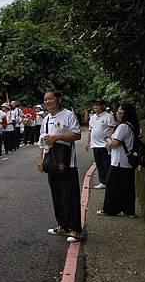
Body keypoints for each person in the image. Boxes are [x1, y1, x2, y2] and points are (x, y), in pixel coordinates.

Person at [37, 91, 82, 243]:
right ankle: (62, 225)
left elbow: (76, 134)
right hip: (51, 160)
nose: (48, 101)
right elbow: (42, 140)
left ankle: (75, 229)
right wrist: (39, 159)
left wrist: (57, 137)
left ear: (59, 99)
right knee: (56, 193)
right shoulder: (47, 119)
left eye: (51, 98)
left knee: (70, 194)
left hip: (66, 160)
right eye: (45, 99)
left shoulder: (68, 115)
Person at [97, 103, 139, 217]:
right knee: (128, 188)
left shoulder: (123, 126)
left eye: (119, 112)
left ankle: (110, 209)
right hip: (128, 162)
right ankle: (128, 210)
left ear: (125, 114)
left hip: (119, 161)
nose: (117, 114)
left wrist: (108, 141)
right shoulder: (132, 125)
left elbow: (115, 143)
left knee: (112, 187)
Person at [85, 99, 116, 190]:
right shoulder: (92, 117)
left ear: (103, 106)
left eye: (98, 105)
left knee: (107, 164)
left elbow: (112, 128)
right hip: (95, 145)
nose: (95, 106)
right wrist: (87, 142)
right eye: (94, 104)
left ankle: (110, 182)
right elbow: (90, 130)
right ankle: (103, 182)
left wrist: (110, 140)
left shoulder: (108, 116)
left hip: (105, 145)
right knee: (99, 164)